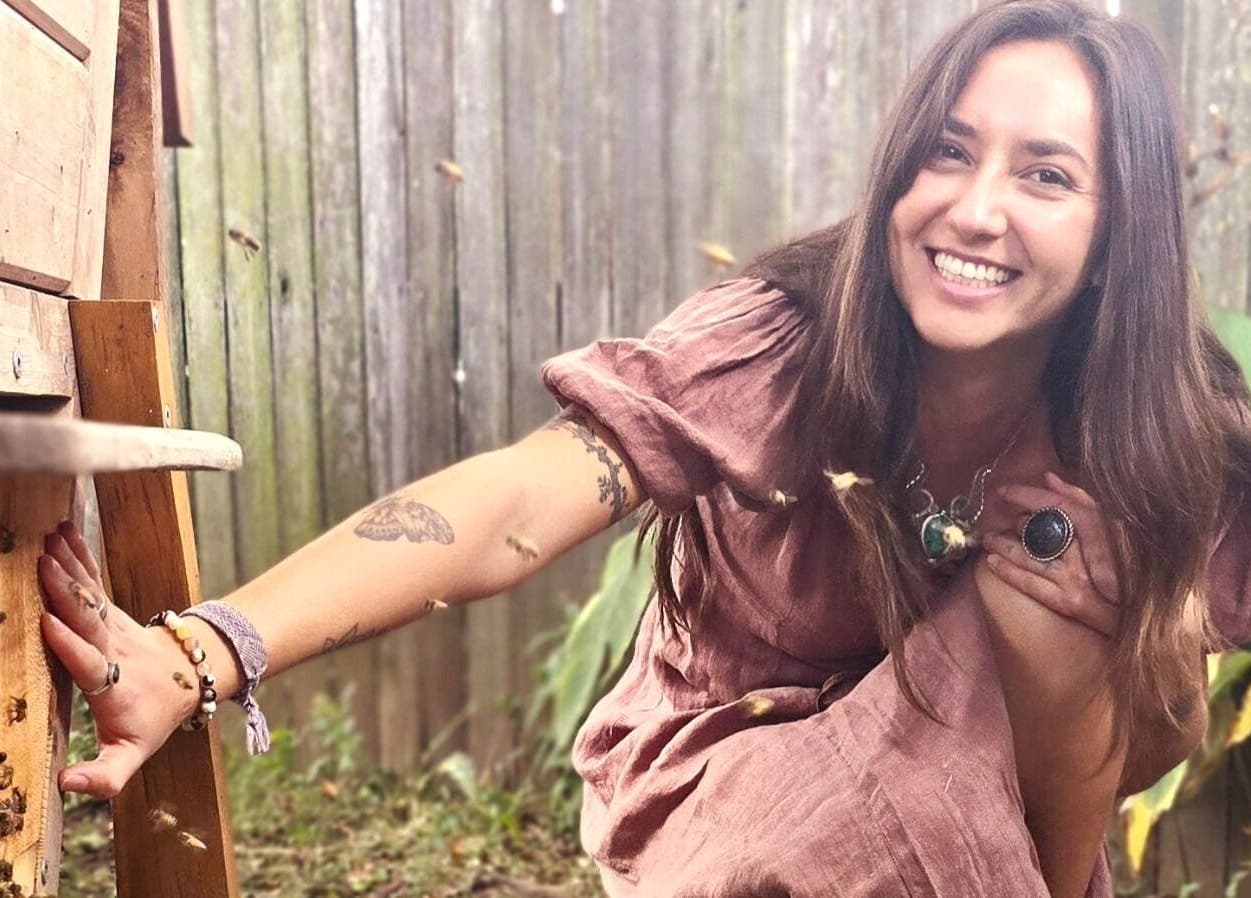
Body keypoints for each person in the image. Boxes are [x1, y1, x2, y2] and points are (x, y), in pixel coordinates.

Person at [36, 1, 1251, 895]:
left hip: (1003, 812)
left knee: (1084, 590)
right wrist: (205, 649)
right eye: (950, 147)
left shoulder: (1158, 417)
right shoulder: (785, 344)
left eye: (1046, 174)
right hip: (731, 788)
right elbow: (518, 499)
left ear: (1117, 230)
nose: (977, 207)